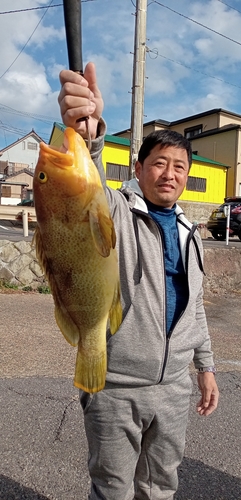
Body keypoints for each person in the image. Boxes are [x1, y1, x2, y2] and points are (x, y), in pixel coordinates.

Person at [58, 62, 219, 500]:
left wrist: (205, 367)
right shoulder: (114, 209)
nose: (171, 174)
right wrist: (87, 131)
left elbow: (195, 305)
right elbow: (84, 179)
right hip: (115, 387)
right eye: (160, 163)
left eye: (180, 167)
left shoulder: (191, 233)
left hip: (173, 388)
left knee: (161, 485)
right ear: (138, 166)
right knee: (112, 488)